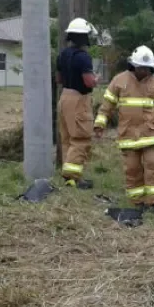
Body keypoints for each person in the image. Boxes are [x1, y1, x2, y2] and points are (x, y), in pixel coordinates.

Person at [95, 46, 154, 211]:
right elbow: (107, 105)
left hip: (150, 134)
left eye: (147, 68)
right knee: (132, 169)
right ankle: (137, 201)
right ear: (133, 65)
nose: (144, 71)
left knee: (153, 165)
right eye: (140, 67)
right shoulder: (119, 80)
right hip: (128, 135)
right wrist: (100, 124)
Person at [55, 18, 98, 189]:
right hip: (79, 99)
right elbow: (88, 82)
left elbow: (58, 79)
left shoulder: (62, 55)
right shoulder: (83, 57)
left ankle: (69, 178)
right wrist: (96, 80)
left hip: (64, 97)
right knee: (81, 138)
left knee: (67, 138)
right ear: (84, 37)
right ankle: (74, 177)